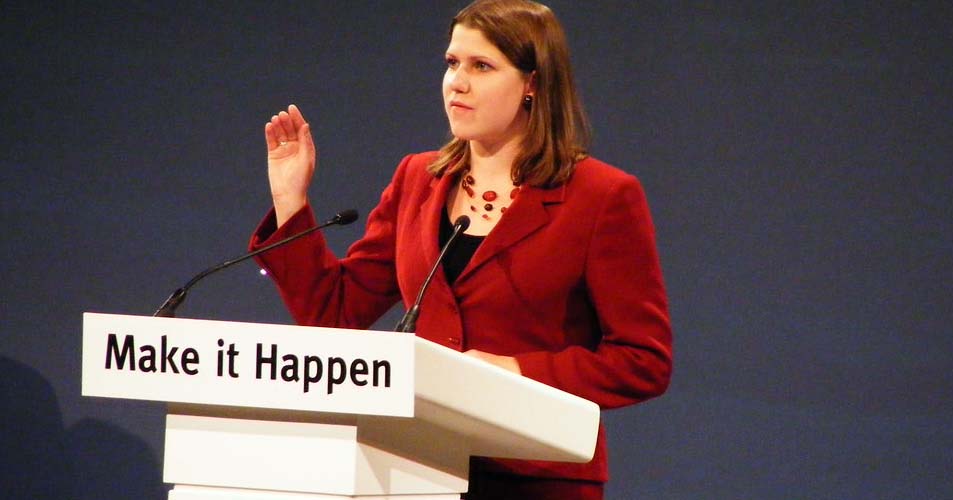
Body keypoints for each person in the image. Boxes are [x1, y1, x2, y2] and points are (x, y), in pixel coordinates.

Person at [250, 1, 671, 498]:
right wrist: (290, 199)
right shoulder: (418, 179)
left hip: (534, 477)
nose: (457, 83)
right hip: (414, 466)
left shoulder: (600, 196)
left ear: (533, 84)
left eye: (482, 66)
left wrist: (516, 371)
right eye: (452, 63)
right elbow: (334, 314)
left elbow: (642, 361)